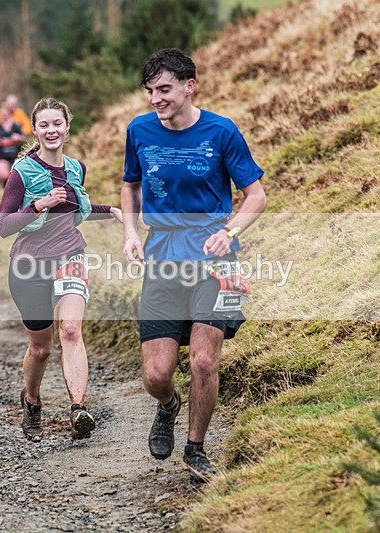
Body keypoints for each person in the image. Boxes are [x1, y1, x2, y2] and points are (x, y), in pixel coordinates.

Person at [121, 48, 267, 483]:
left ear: (190, 86)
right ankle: (168, 405)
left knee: (204, 361)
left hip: (216, 259)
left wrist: (231, 231)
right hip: (163, 256)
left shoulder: (221, 131)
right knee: (156, 374)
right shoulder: (139, 130)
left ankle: (196, 448)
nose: (155, 99)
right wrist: (130, 233)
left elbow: (256, 196)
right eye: (150, 91)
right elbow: (130, 186)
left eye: (164, 89)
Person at [0, 97, 122, 441]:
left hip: (70, 256)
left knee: (70, 330)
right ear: (35, 130)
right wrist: (40, 204)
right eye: (44, 125)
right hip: (29, 265)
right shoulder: (22, 172)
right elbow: (4, 226)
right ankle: (32, 401)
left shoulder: (76, 167)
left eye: (57, 123)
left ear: (67, 127)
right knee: (42, 348)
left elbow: (75, 209)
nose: (51, 130)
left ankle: (78, 409)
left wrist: (111, 211)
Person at [0, 105, 26, 187]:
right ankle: (7, 187)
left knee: (16, 177)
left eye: (5, 114)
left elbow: (23, 137)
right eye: (2, 115)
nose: (4, 116)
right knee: (2, 175)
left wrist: (18, 138)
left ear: (9, 114)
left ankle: (12, 188)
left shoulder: (16, 125)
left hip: (16, 155)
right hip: (2, 154)